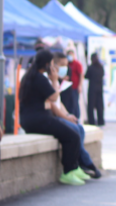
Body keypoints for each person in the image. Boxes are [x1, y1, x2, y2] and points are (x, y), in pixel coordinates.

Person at [18, 50, 87, 185]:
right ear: (47, 64)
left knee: (70, 133)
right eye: (52, 63)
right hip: (39, 120)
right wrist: (54, 80)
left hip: (30, 120)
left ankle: (74, 168)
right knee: (73, 136)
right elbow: (54, 97)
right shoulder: (40, 78)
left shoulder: (29, 76)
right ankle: (68, 171)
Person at [52, 52, 101, 179]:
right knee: (74, 130)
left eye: (66, 65)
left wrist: (68, 114)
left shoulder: (56, 80)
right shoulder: (50, 80)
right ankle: (85, 163)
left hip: (61, 114)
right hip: (54, 118)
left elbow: (59, 103)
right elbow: (53, 104)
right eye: (62, 65)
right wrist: (66, 117)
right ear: (54, 64)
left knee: (79, 128)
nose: (65, 68)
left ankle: (80, 163)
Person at [85, 53, 105, 126]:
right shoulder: (101, 67)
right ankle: (101, 121)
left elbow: (86, 76)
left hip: (92, 89)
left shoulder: (91, 67)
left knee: (91, 106)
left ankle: (91, 121)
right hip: (100, 88)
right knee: (100, 106)